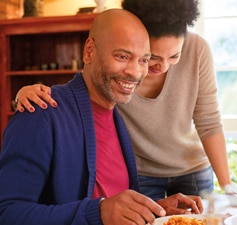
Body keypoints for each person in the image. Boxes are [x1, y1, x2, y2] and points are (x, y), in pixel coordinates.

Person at [0, 9, 203, 225]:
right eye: (123, 56)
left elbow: (110, 203)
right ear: (89, 52)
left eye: (143, 60)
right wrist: (97, 212)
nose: (135, 72)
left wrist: (155, 210)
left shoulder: (117, 118)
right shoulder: (41, 113)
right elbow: (7, 213)